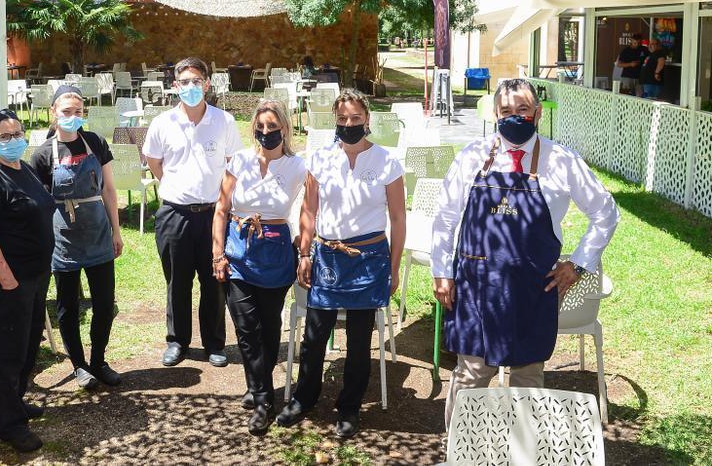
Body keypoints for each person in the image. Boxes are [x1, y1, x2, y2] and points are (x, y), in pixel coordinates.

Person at [432, 78, 619, 427]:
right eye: (506, 111)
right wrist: (442, 272)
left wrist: (577, 265)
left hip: (531, 288)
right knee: (471, 374)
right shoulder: (472, 156)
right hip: (476, 285)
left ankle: (524, 453)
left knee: (528, 378)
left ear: (537, 114)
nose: (514, 117)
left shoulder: (562, 161)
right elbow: (444, 218)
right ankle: (460, 452)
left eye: (522, 110)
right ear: (495, 113)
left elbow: (606, 213)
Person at [276, 90, 407, 439]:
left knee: (361, 338)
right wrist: (304, 253)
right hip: (327, 256)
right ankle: (304, 398)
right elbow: (309, 210)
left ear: (367, 119)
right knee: (315, 335)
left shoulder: (387, 162)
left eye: (355, 118)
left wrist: (393, 269)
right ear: (335, 120)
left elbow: (397, 218)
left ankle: (349, 407)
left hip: (368, 258)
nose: (349, 125)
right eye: (342, 119)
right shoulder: (319, 160)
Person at [212, 99, 306, 434]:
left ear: (284, 128)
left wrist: (306, 247)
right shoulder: (239, 161)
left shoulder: (297, 167)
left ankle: (256, 387)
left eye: (272, 126)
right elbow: (221, 209)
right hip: (238, 251)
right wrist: (217, 254)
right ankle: (264, 399)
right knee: (246, 327)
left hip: (276, 252)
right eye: (261, 127)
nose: (266, 132)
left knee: (268, 327)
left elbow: (310, 210)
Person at [142, 56, 242, 368]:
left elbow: (232, 165)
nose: (191, 87)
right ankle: (177, 342)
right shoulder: (162, 123)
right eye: (184, 82)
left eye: (197, 81)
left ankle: (214, 343)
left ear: (208, 83)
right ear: (174, 87)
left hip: (213, 215)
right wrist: (174, 187)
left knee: (214, 281)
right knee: (178, 282)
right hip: (175, 214)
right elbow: (154, 163)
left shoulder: (223, 121)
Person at [0, 109, 56, 454]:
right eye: (4, 136)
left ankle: (15, 402)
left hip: (35, 275)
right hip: (8, 280)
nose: (13, 140)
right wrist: (8, 281)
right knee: (8, 350)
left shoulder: (25, 170)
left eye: (17, 133)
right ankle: (9, 424)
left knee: (29, 343)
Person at [29, 85, 125, 390]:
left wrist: (116, 231)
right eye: (66, 112)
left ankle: (99, 361)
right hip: (64, 240)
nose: (73, 117)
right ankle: (80, 366)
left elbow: (109, 189)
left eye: (78, 112)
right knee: (68, 307)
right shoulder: (43, 154)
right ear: (54, 113)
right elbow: (39, 204)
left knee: (104, 302)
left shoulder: (95, 142)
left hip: (98, 234)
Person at [614, 32, 648, 96]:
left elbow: (651, 56)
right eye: (635, 43)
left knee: (639, 97)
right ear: (631, 41)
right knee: (626, 96)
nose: (637, 45)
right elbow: (618, 64)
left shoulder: (644, 49)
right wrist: (630, 64)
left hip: (639, 78)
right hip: (627, 77)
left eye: (639, 43)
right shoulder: (626, 51)